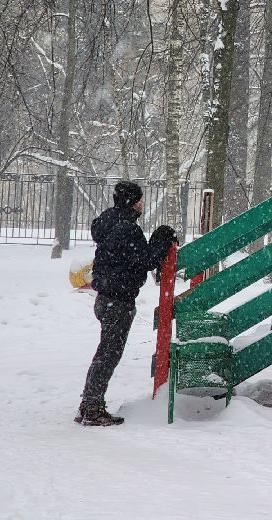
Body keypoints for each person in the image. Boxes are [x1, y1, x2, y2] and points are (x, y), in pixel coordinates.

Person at [77, 181, 175, 427]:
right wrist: (161, 238)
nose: (142, 204)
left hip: (106, 298)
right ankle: (92, 407)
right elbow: (145, 261)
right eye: (139, 199)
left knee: (105, 352)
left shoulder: (108, 221)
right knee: (108, 354)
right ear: (132, 201)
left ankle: (89, 404)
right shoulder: (126, 229)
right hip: (118, 301)